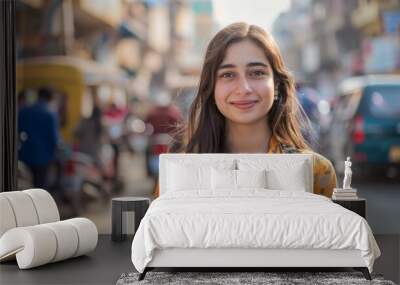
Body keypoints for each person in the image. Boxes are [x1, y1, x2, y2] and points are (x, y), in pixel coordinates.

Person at [153, 22, 337, 198]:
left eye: (257, 73)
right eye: (228, 75)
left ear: (277, 85)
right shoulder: (179, 172)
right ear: (211, 88)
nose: (244, 88)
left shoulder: (316, 171)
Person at [18, 87, 60, 189]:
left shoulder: (25, 111)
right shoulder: (51, 114)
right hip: (44, 157)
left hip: (26, 155)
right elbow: (54, 138)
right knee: (39, 187)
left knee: (25, 185)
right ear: (49, 98)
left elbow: (18, 131)